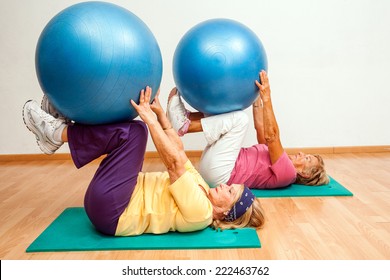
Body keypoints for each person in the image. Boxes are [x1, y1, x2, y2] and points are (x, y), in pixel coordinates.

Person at [22, 86, 265, 236]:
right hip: (115, 197)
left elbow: (173, 165)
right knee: (130, 130)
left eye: (231, 191)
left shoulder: (201, 213)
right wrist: (160, 116)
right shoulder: (202, 188)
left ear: (226, 212)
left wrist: (149, 120)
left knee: (136, 132)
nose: (226, 185)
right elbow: (178, 152)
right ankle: (64, 125)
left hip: (113, 212)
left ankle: (58, 133)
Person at [167, 70, 329, 189]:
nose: (301, 154)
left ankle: (184, 125)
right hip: (216, 166)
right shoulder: (277, 159)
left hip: (222, 174)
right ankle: (186, 118)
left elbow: (272, 136)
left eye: (307, 159)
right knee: (228, 110)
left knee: (239, 119)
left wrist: (267, 96)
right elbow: (260, 127)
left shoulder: (288, 174)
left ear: (305, 174)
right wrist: (256, 96)